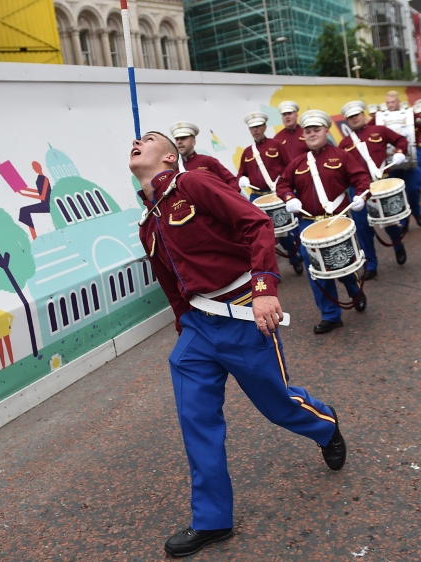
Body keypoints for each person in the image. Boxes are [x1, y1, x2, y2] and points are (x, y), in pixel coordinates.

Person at [130, 130, 348, 557]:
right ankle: (212, 520)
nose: (137, 141)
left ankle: (325, 424)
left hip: (244, 313)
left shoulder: (191, 183)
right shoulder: (147, 222)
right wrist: (184, 323)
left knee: (277, 405)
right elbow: (171, 284)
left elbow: (256, 223)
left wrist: (266, 286)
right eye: (136, 139)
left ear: (170, 158)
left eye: (149, 138)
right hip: (197, 328)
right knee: (196, 421)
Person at [276, 110, 372, 334]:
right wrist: (289, 198)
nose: (311, 134)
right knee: (316, 270)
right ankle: (330, 315)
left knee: (342, 264)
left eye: (316, 130)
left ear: (326, 131)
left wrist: (361, 196)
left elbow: (361, 179)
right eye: (307, 131)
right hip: (309, 224)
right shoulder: (297, 162)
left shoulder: (341, 156)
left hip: (337, 221)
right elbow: (283, 185)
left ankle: (354, 290)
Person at [339, 100, 411, 276]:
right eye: (350, 117)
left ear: (363, 115)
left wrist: (400, 152)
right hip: (359, 190)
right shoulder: (345, 143)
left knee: (389, 222)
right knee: (363, 228)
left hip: (381, 183)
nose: (354, 119)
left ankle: (397, 244)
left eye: (357, 115)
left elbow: (401, 140)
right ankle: (371, 265)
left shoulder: (379, 130)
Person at [237, 111, 304, 274]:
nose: (255, 130)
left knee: (285, 230)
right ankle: (273, 271)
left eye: (258, 126)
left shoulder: (276, 145)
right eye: (252, 128)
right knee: (263, 235)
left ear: (265, 126)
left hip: (276, 195)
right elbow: (241, 173)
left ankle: (295, 256)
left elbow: (289, 167)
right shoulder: (247, 152)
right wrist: (241, 179)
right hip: (256, 197)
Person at [376, 90, 421, 227]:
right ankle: (404, 220)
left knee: (413, 190)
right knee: (396, 195)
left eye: (393, 102)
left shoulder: (408, 113)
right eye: (388, 102)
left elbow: (419, 121)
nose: (390, 105)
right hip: (390, 164)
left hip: (408, 161)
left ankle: (416, 213)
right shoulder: (379, 117)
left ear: (398, 102)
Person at [170, 121, 239, 190]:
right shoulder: (175, 169)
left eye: (183, 138)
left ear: (193, 142)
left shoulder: (208, 161)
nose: (179, 142)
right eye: (176, 139)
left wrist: (225, 199)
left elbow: (233, 181)